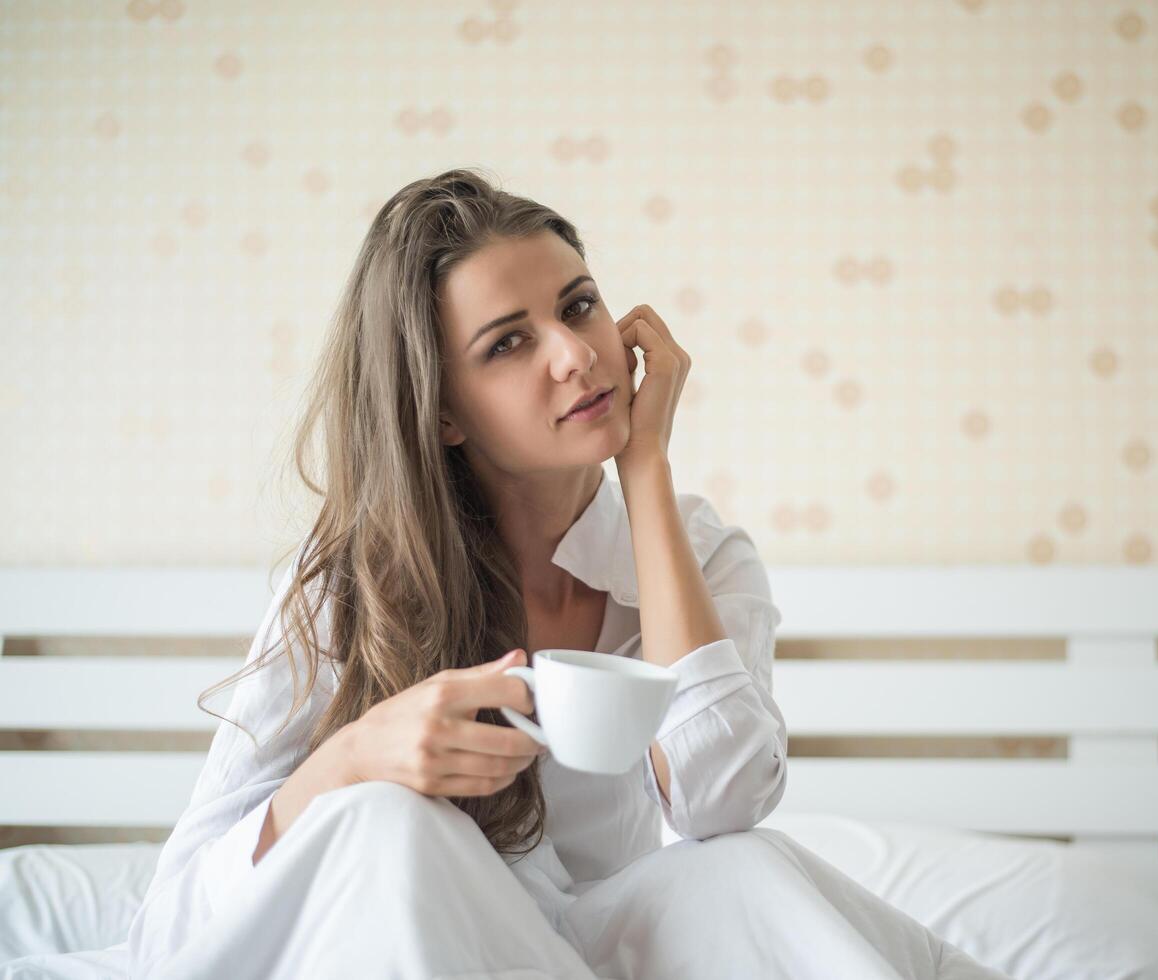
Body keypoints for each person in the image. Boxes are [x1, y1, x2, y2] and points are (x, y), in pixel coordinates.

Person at [4, 168, 1013, 980]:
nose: (576, 354)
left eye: (579, 304)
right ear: (442, 412)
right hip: (419, 937)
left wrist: (647, 468)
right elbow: (174, 917)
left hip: (597, 948)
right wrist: (355, 758)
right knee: (391, 820)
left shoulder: (698, 555)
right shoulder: (353, 583)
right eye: (509, 343)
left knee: (738, 872)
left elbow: (718, 799)